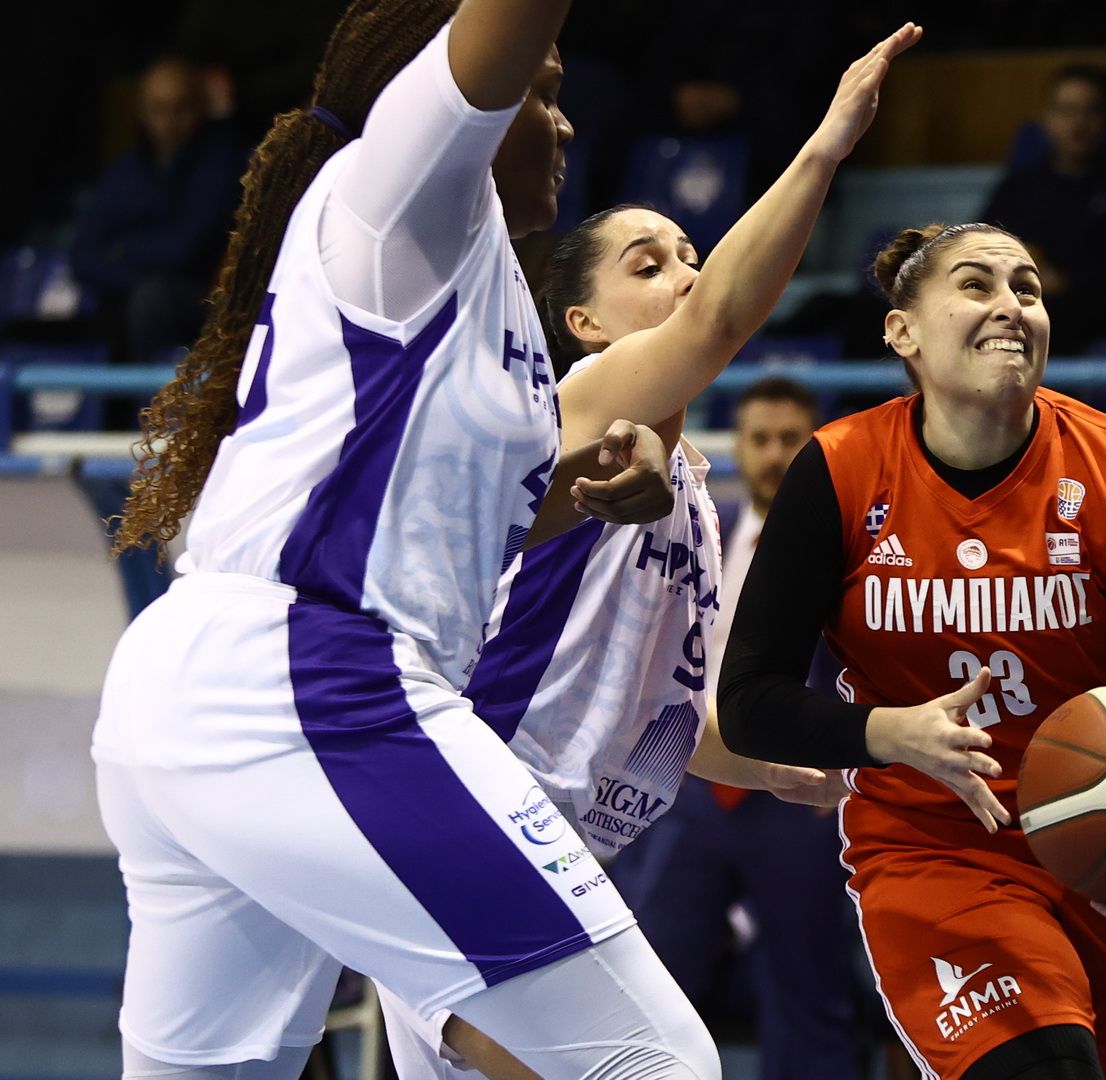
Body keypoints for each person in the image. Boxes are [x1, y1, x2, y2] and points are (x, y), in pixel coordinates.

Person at [91, 0, 723, 1074]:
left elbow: (480, 513)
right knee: (656, 1062)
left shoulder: (488, 295)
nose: (566, 123)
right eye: (544, 93)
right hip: (311, 680)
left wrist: (594, 486)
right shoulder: (406, 194)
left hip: (213, 686)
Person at [367, 27, 921, 1077]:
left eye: (690, 257)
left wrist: (769, 767)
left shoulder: (695, 498)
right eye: (648, 264)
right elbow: (719, 322)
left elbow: (665, 716)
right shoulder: (574, 406)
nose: (685, 276)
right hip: (478, 809)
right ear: (583, 322)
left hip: (550, 843)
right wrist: (824, 148)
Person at [718, 221, 1106, 1079]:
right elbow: (750, 702)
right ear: (902, 330)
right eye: (976, 285)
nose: (1011, 305)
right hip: (941, 846)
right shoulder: (839, 472)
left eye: (1028, 288)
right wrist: (887, 734)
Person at [611, 375, 867, 1080]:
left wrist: (842, 768)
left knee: (807, 992)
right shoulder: (699, 536)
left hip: (800, 795)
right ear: (740, 448)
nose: (775, 454)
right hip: (686, 783)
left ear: (816, 447)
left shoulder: (853, 552)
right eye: (760, 439)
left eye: (791, 440)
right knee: (656, 984)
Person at [71, 56, 247, 362]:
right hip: (127, 298)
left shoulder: (221, 164)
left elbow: (185, 249)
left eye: (180, 108)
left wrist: (123, 248)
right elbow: (82, 256)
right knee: (118, 307)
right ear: (142, 111)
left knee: (152, 299)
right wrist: (137, 276)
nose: (169, 121)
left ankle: (144, 391)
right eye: (159, 108)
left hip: (205, 302)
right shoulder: (125, 170)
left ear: (200, 107)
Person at [980, 66, 1106, 354]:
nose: (1079, 123)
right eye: (1067, 110)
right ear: (1047, 118)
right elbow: (982, 251)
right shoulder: (1019, 189)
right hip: (1038, 311)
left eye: (1090, 111)